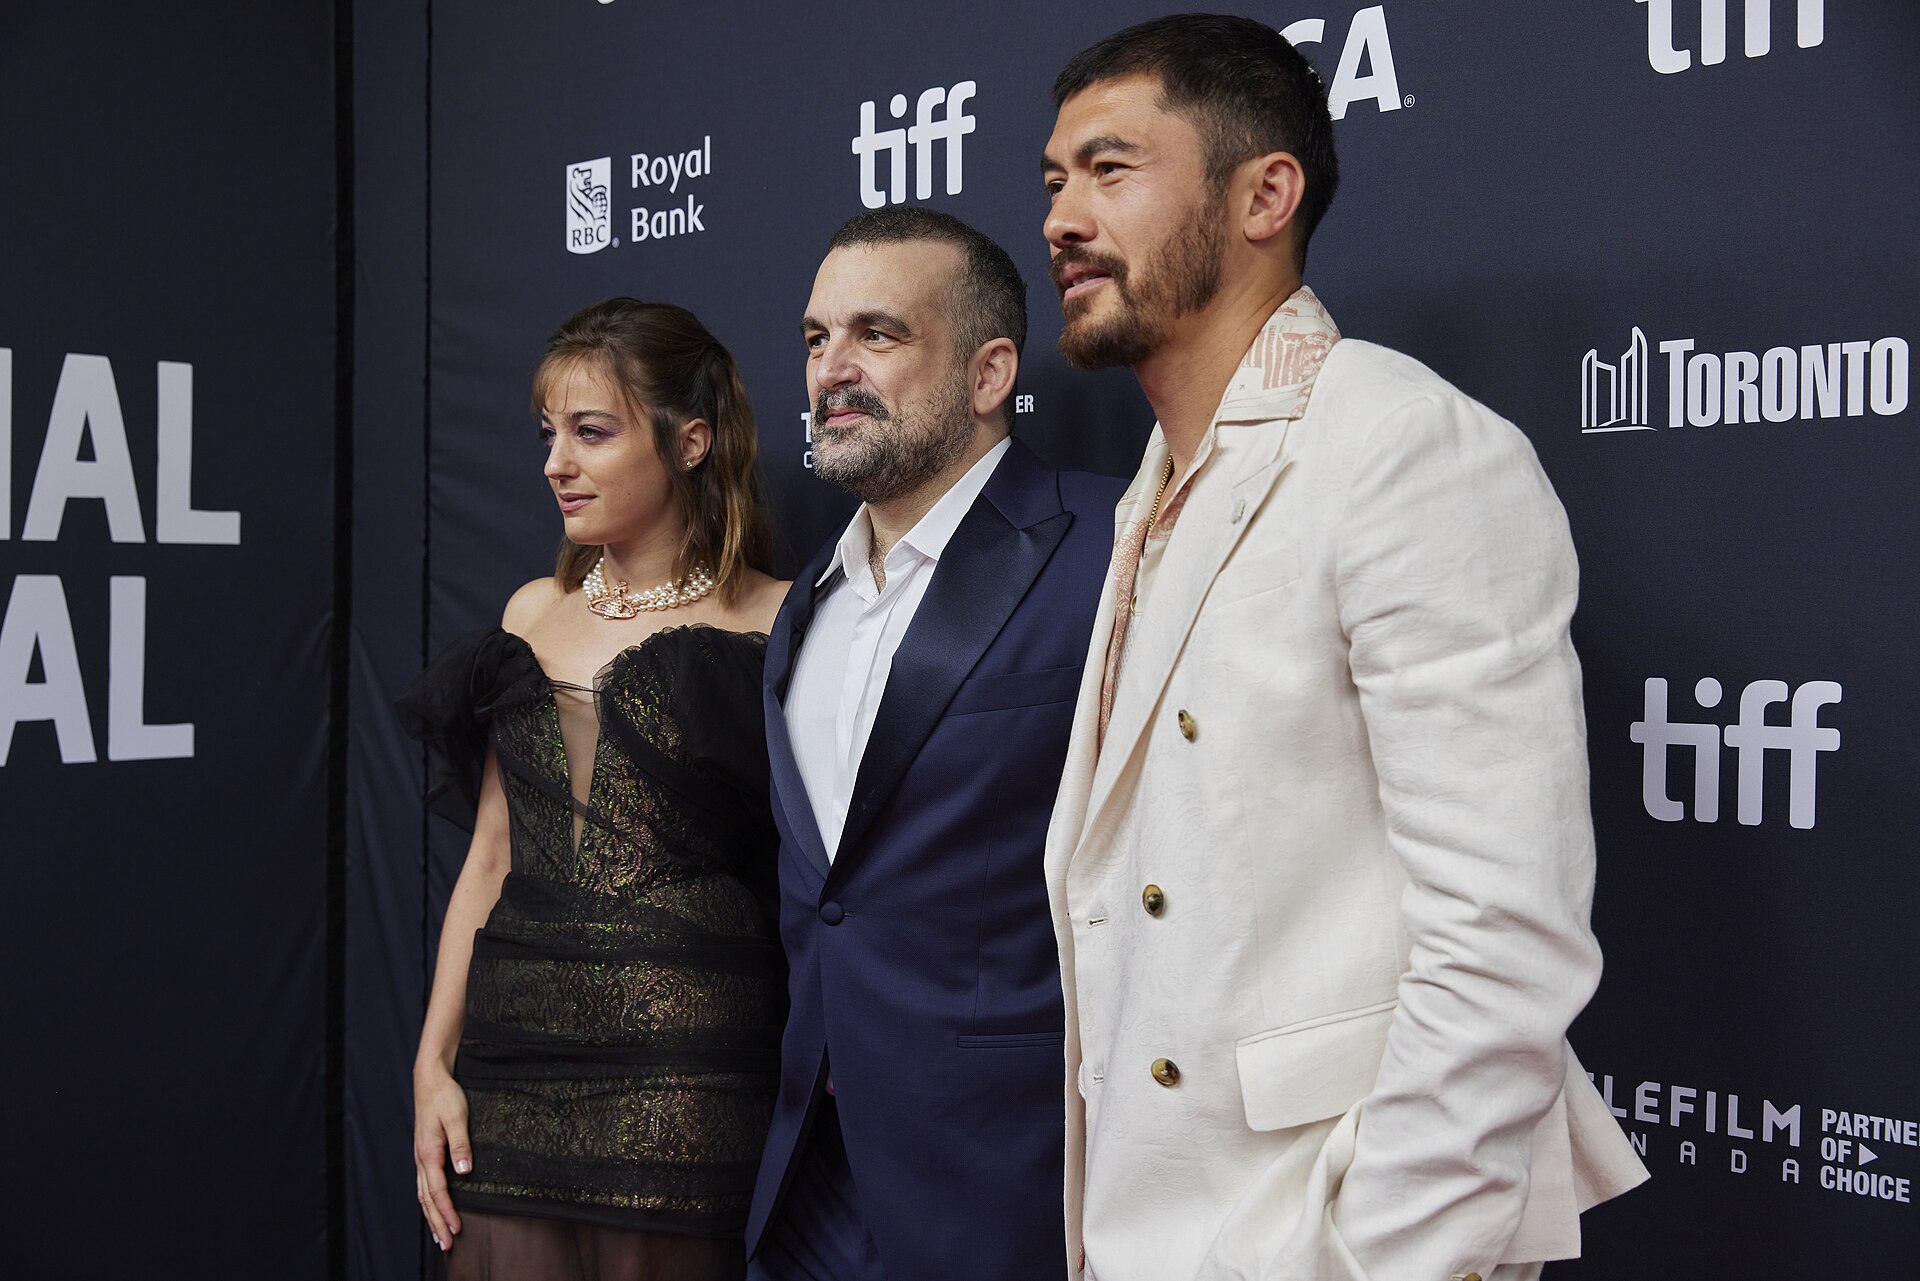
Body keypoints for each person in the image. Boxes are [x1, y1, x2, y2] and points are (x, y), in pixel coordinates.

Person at [1038, 16, 1648, 1281]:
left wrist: (1376, 1255)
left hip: (1315, 1234)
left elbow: (1504, 939)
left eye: (1110, 170)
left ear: (1265, 196)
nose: (1061, 219)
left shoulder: (1402, 446)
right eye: (1054, 181)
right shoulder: (1152, 487)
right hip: (1150, 1225)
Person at [743, 207, 1125, 1281]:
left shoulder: (1112, 547)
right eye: (817, 338)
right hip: (810, 1179)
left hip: (1006, 1180)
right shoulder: (805, 602)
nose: (832, 369)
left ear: (989, 372)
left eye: (877, 334)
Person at [397, 298, 791, 1281]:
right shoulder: (532, 614)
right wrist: (432, 1064)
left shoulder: (779, 620)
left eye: (591, 432)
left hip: (681, 1078)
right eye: (549, 434)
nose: (555, 464)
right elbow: (491, 853)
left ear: (690, 441)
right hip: (509, 1070)